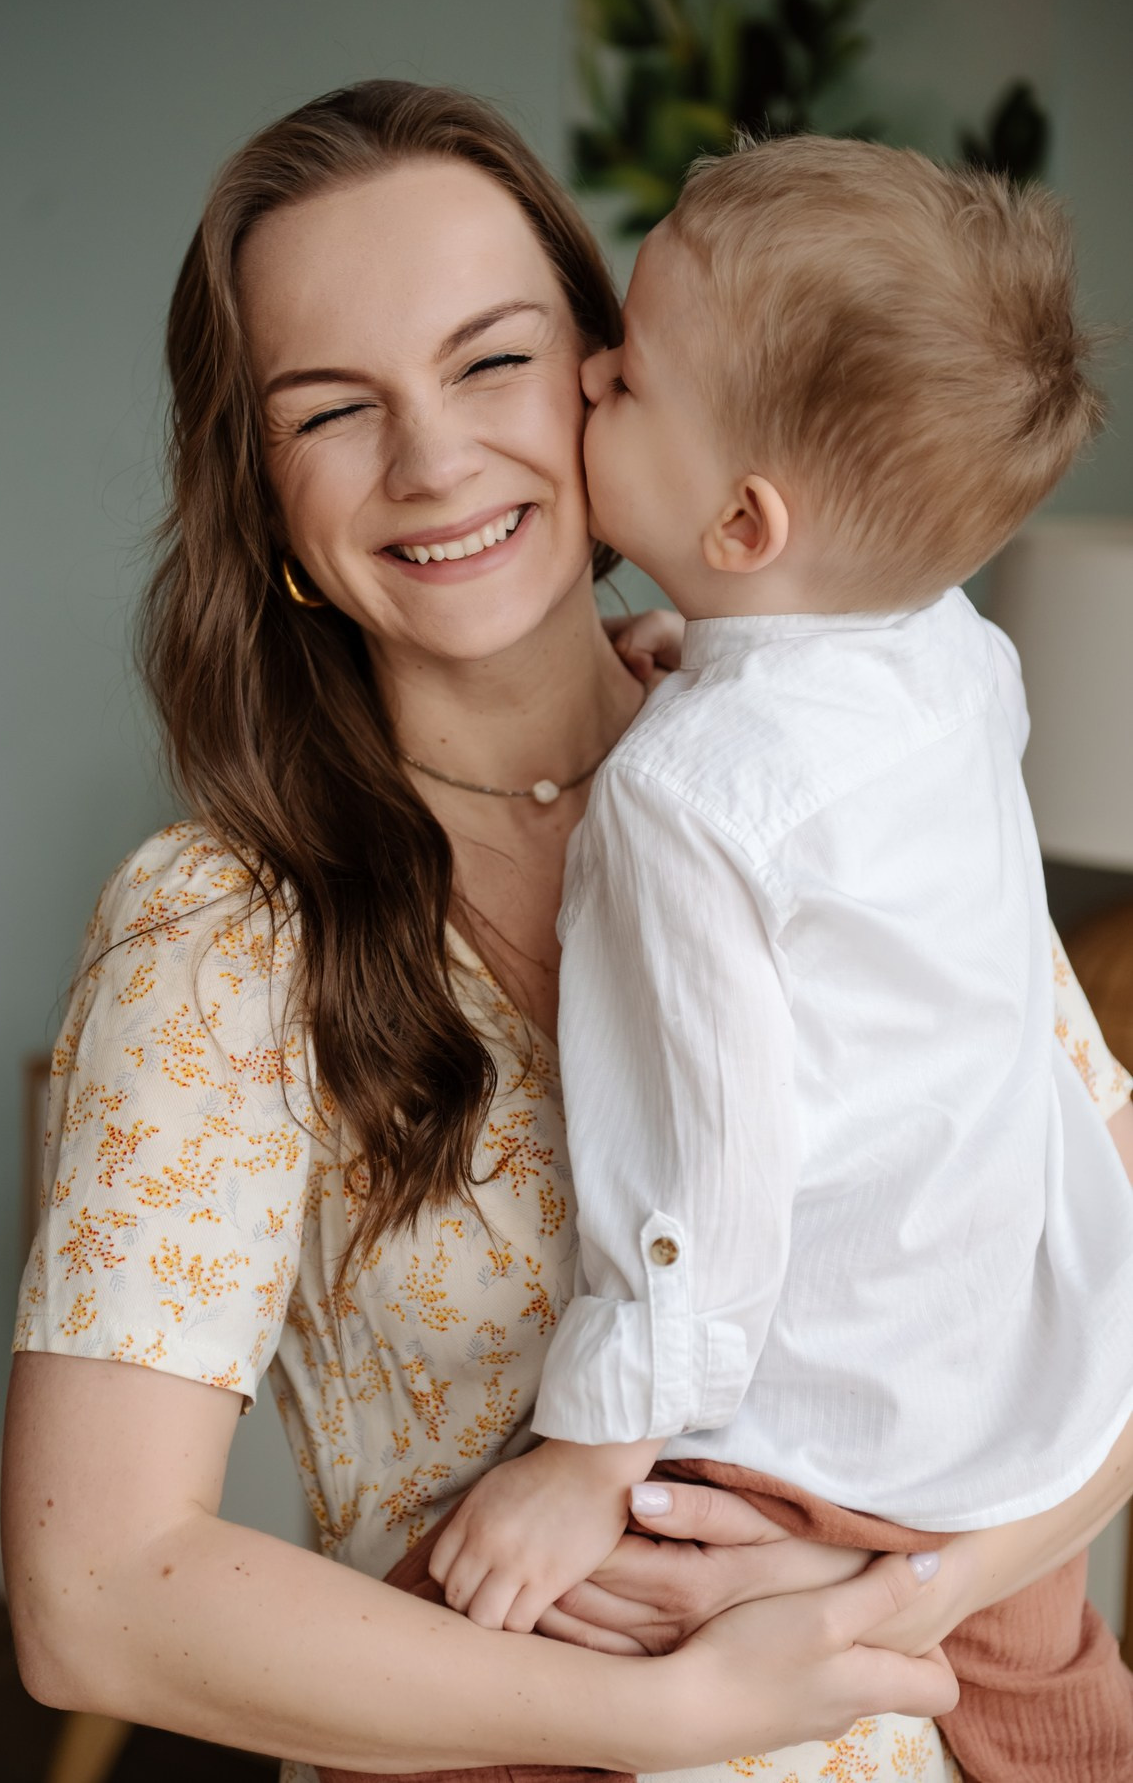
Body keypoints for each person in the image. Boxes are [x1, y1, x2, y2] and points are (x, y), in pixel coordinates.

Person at [1, 83, 1133, 1783]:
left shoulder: (837, 761)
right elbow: (96, 1590)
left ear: (616, 374)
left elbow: (1099, 1258)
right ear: (265, 489)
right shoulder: (223, 926)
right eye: (330, 409)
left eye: (493, 360)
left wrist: (914, 1579)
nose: (436, 456)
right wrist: (666, 1706)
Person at [425, 138, 1133, 1781]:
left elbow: (715, 1195)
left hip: (839, 1434)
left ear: (742, 519)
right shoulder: (960, 654)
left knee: (471, 1650)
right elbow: (830, 733)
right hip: (1032, 1391)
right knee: (1051, 1705)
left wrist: (591, 1458)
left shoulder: (677, 802)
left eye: (624, 376)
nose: (589, 371)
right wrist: (714, 656)